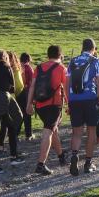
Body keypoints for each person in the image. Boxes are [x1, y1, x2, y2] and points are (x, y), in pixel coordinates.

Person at [25, 45, 68, 175]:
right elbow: (65, 89)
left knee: (53, 129)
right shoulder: (61, 68)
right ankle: (41, 164)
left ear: (48, 55)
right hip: (54, 105)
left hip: (40, 105)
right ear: (60, 55)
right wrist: (69, 105)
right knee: (48, 131)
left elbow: (32, 86)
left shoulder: (38, 68)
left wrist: (29, 104)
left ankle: (61, 156)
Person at [66, 39, 99, 176]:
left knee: (76, 133)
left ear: (82, 48)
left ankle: (74, 156)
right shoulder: (96, 61)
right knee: (91, 132)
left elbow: (67, 83)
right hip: (90, 99)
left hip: (74, 100)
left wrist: (69, 101)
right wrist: (98, 103)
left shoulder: (72, 61)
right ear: (93, 48)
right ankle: (88, 163)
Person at [0, 51, 24, 152]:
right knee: (11, 121)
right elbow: (19, 86)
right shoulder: (14, 70)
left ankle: (2, 143)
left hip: (4, 98)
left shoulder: (3, 69)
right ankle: (10, 144)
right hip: (10, 98)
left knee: (5, 122)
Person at [18, 53, 35, 141]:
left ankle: (15, 133)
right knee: (27, 113)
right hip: (27, 92)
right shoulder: (28, 68)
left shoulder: (18, 67)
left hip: (18, 93)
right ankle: (28, 134)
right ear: (28, 59)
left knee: (19, 113)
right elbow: (32, 82)